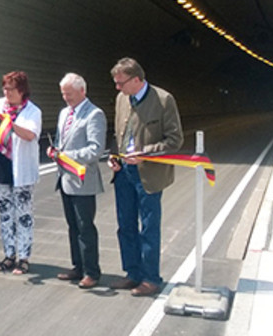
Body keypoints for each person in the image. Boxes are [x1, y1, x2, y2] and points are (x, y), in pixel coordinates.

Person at [108, 57, 183, 297]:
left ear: (137, 79)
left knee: (149, 227)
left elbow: (174, 140)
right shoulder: (122, 100)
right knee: (125, 224)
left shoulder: (163, 100)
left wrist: (145, 154)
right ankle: (133, 273)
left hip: (148, 173)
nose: (118, 88)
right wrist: (115, 157)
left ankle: (151, 278)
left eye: (121, 83)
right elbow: (119, 134)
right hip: (124, 172)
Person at [0, 70, 41, 276]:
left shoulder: (32, 111)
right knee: (5, 213)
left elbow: (30, 135)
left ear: (21, 91)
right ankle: (9, 254)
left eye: (11, 89)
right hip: (0, 167)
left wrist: (10, 124)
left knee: (23, 214)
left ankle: (23, 257)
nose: (6, 92)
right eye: (4, 88)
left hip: (20, 169)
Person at [48, 73, 106, 288]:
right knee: (72, 225)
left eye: (70, 94)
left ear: (83, 91)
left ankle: (92, 271)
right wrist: (55, 151)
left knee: (85, 226)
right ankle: (78, 266)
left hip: (83, 179)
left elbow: (95, 149)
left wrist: (67, 155)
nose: (66, 98)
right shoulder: (65, 113)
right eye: (63, 94)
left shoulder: (94, 115)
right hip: (65, 177)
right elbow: (60, 139)